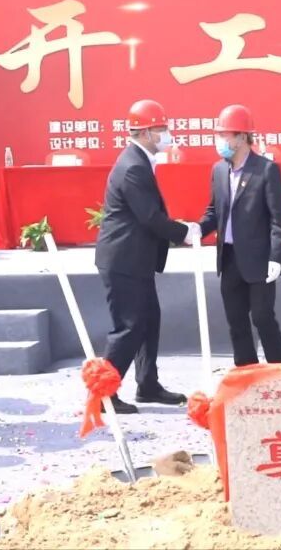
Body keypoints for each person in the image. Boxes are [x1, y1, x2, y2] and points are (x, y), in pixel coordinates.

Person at [95, 99, 191, 414]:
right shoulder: (133, 166)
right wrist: (185, 233)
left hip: (136, 260)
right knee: (129, 326)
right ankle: (104, 393)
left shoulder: (139, 160)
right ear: (147, 132)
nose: (167, 134)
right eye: (162, 128)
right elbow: (150, 217)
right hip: (123, 260)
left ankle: (147, 384)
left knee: (149, 321)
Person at [198, 104, 281, 366]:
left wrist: (276, 258)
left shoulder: (266, 170)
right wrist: (196, 229)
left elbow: (279, 220)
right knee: (236, 320)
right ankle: (246, 371)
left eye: (224, 135)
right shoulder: (219, 170)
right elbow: (214, 211)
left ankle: (278, 371)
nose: (219, 141)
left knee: (262, 317)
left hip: (258, 259)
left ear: (241, 137)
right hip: (229, 258)